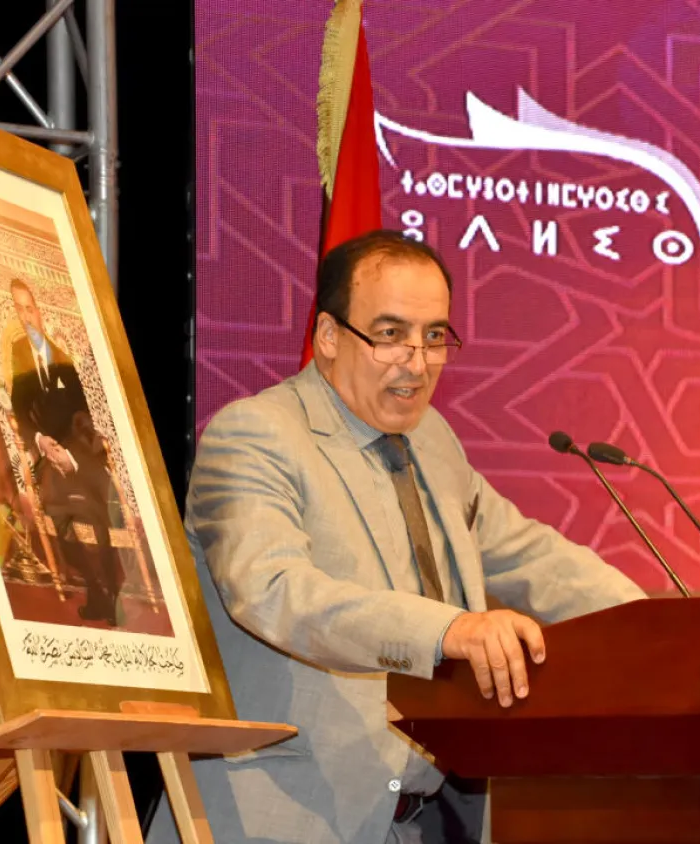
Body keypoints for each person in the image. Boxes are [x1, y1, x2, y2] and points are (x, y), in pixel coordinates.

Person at [147, 230, 646, 843]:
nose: (417, 361)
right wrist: (448, 630)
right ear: (328, 336)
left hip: (414, 822)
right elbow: (274, 593)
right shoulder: (256, 434)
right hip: (278, 819)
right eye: (390, 334)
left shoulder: (432, 440)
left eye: (434, 336)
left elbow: (527, 555)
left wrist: (656, 624)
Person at [7, 277, 125, 626]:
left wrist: (72, 452)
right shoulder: (18, 355)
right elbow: (19, 408)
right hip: (47, 456)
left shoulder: (63, 359)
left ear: (39, 311)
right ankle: (97, 588)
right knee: (61, 514)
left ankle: (109, 591)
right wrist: (41, 441)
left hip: (78, 454)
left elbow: (82, 414)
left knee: (95, 506)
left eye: (29, 308)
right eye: (19, 309)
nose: (26, 316)